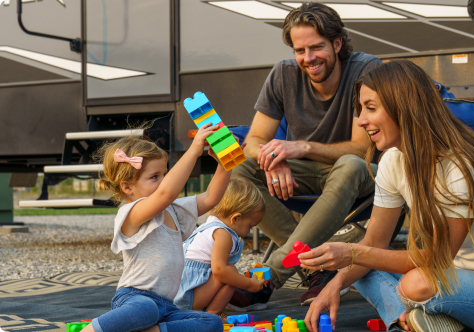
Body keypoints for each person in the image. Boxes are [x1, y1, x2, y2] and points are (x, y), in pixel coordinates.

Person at [300, 60, 474, 332]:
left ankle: (414, 311)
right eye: (360, 109)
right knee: (362, 263)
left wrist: (352, 252)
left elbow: (435, 260)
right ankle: (411, 320)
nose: (361, 121)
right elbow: (375, 241)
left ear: (404, 106)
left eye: (370, 108)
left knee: (411, 282)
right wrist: (333, 285)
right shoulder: (392, 162)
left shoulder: (461, 164)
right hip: (451, 278)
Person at [229, 2, 382, 311]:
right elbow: (254, 142)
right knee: (239, 169)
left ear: (337, 43)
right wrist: (274, 159)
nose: (308, 59)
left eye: (316, 48)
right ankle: (315, 268)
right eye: (300, 50)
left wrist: (303, 147)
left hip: (360, 173)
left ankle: (269, 276)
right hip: (304, 174)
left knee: (350, 165)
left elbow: (362, 149)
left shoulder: (366, 69)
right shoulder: (283, 74)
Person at [82, 123, 231, 332]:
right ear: (127, 187)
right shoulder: (131, 213)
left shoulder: (173, 210)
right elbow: (166, 193)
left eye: (165, 174)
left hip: (166, 307)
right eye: (154, 177)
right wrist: (194, 150)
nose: (163, 182)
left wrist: (226, 163)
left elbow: (211, 198)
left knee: (212, 322)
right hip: (134, 299)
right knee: (147, 310)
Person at [174, 178, 266, 320]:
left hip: (177, 292)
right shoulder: (223, 234)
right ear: (235, 218)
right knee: (230, 272)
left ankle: (207, 310)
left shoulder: (209, 224)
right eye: (250, 226)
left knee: (228, 271)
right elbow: (220, 271)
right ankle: (213, 314)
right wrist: (249, 284)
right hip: (186, 297)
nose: (249, 231)